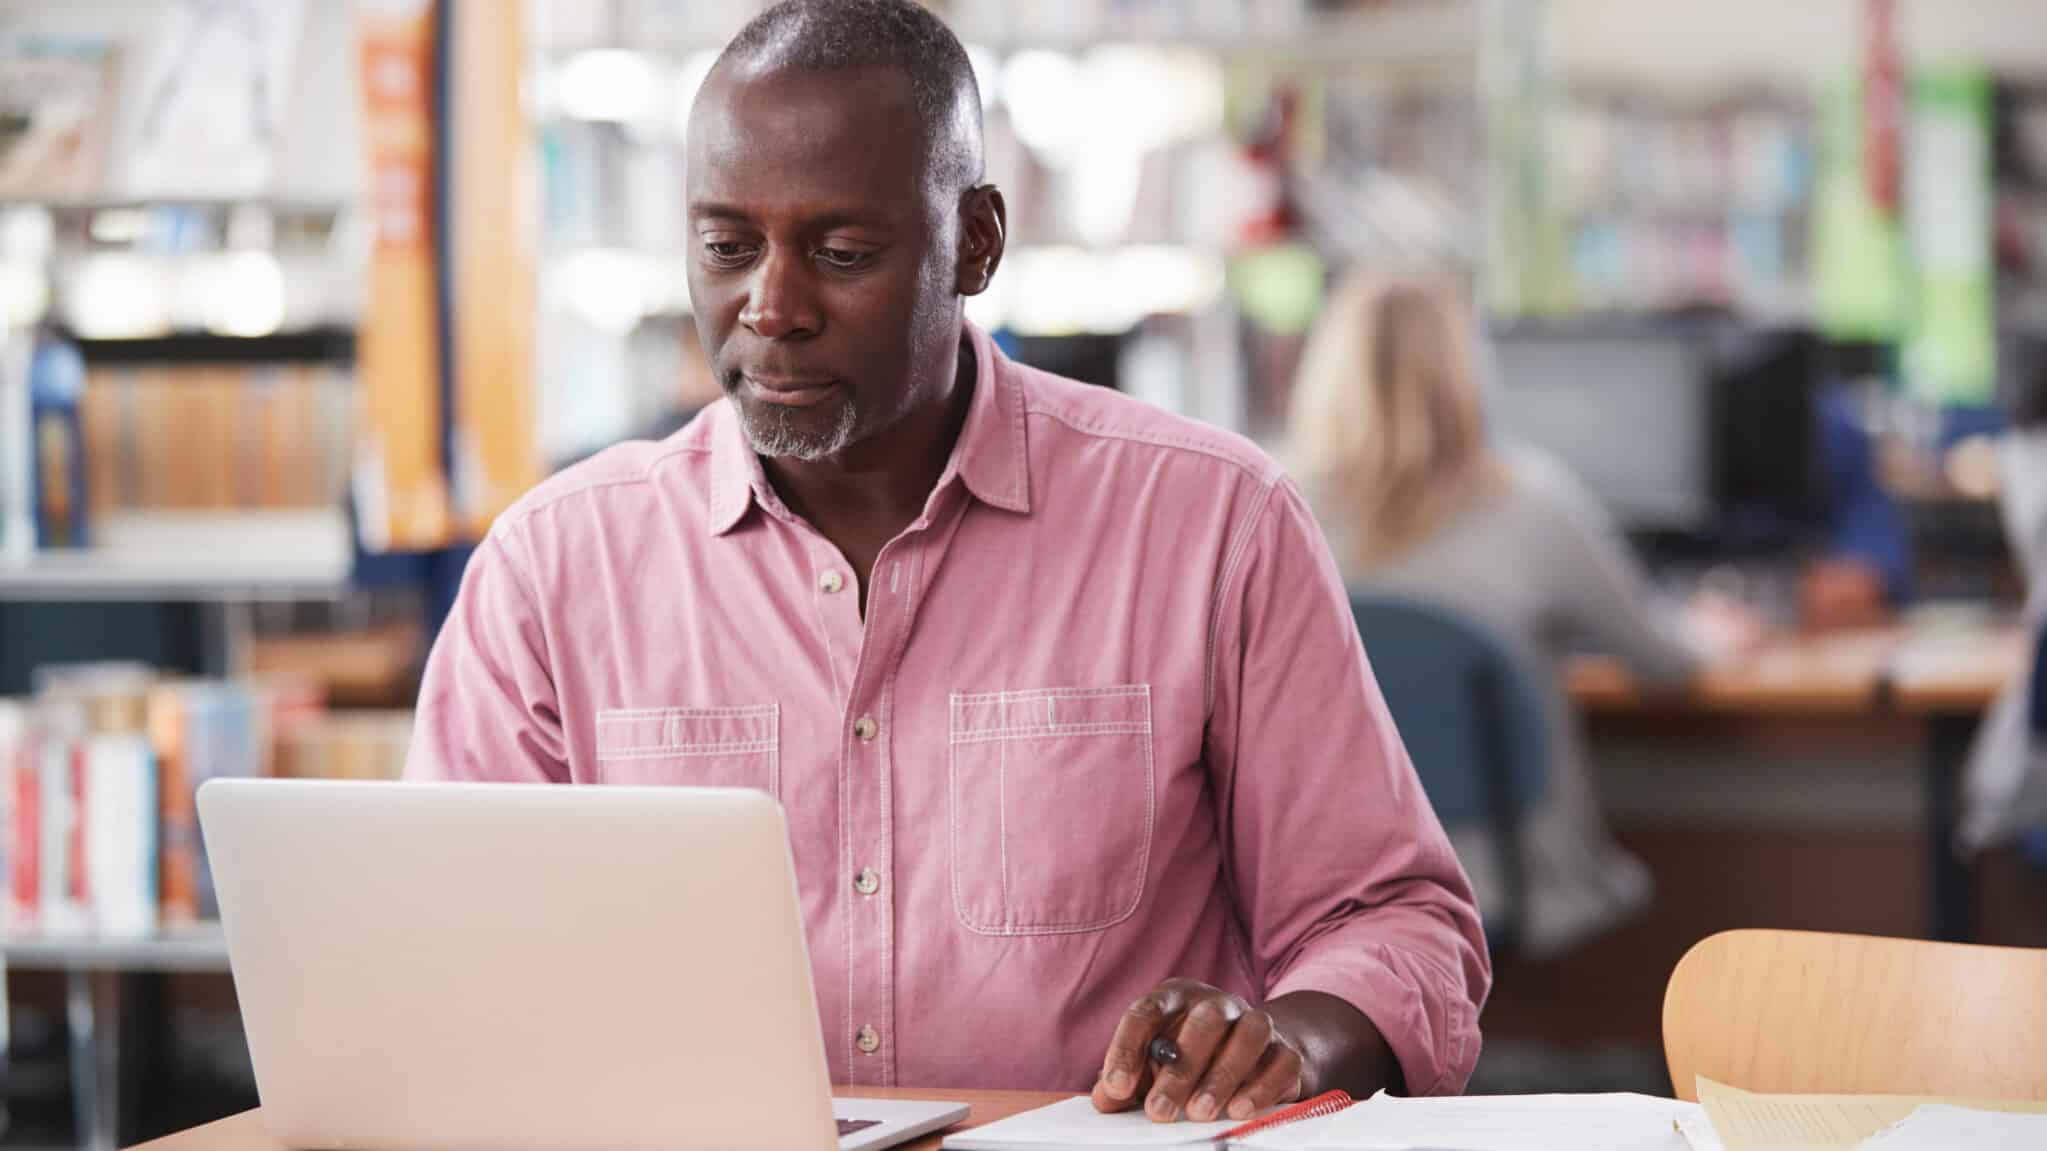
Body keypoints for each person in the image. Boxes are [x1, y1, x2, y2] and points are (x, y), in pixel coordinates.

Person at [405, 0, 1486, 1122]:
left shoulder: (1212, 522)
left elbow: (1397, 920)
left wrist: (1291, 1040)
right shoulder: (553, 568)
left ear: (975, 241)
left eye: (841, 252)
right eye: (726, 246)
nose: (769, 307)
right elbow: (436, 957)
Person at [1289, 272, 1752, 958]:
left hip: (1328, 884)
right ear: (1466, 371)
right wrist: (1716, 630)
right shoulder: (1531, 502)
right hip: (1505, 876)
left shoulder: (1274, 510)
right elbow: (1665, 663)